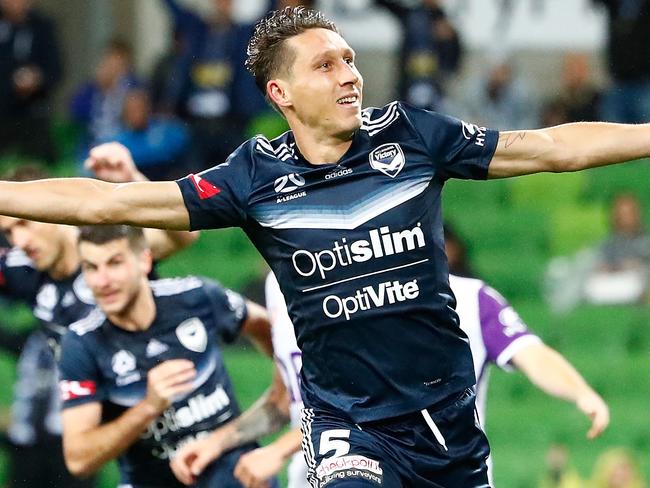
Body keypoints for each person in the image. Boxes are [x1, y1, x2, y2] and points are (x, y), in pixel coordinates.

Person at [0, 6, 650, 485]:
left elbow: (553, 149)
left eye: (350, 59)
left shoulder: (413, 138)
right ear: (279, 92)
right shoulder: (252, 178)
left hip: (445, 422)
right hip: (346, 423)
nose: (349, 75)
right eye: (326, 63)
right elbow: (102, 202)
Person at [171, 261, 610, 487]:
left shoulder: (468, 299)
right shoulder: (280, 287)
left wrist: (581, 393)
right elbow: (287, 398)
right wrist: (219, 442)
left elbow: (532, 354)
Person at [0, 161, 196, 488]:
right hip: (107, 430)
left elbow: (183, 236)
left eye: (24, 223)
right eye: (8, 232)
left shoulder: (106, 250)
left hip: (170, 417)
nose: (19, 240)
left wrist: (134, 179)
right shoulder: (24, 268)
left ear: (51, 210)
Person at [58, 225, 275, 487]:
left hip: (228, 467)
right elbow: (78, 460)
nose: (102, 281)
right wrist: (148, 407)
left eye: (115, 263)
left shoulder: (197, 297)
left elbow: (271, 331)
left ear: (145, 260)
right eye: (91, 268)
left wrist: (290, 385)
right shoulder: (81, 343)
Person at [0, 0, 62, 164]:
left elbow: (56, 70)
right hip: (3, 108)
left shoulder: (43, 26)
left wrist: (37, 78)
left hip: (33, 111)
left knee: (39, 164)